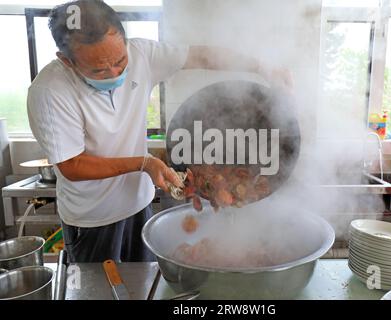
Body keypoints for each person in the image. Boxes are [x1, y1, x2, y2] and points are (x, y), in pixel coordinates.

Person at [27, 0, 291, 263]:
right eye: (98, 69)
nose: (114, 72)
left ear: (124, 38)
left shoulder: (142, 55)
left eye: (120, 60)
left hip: (138, 206)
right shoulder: (50, 91)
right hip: (92, 219)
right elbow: (72, 165)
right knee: (101, 292)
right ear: (66, 60)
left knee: (142, 284)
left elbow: (200, 55)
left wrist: (260, 66)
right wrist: (144, 163)